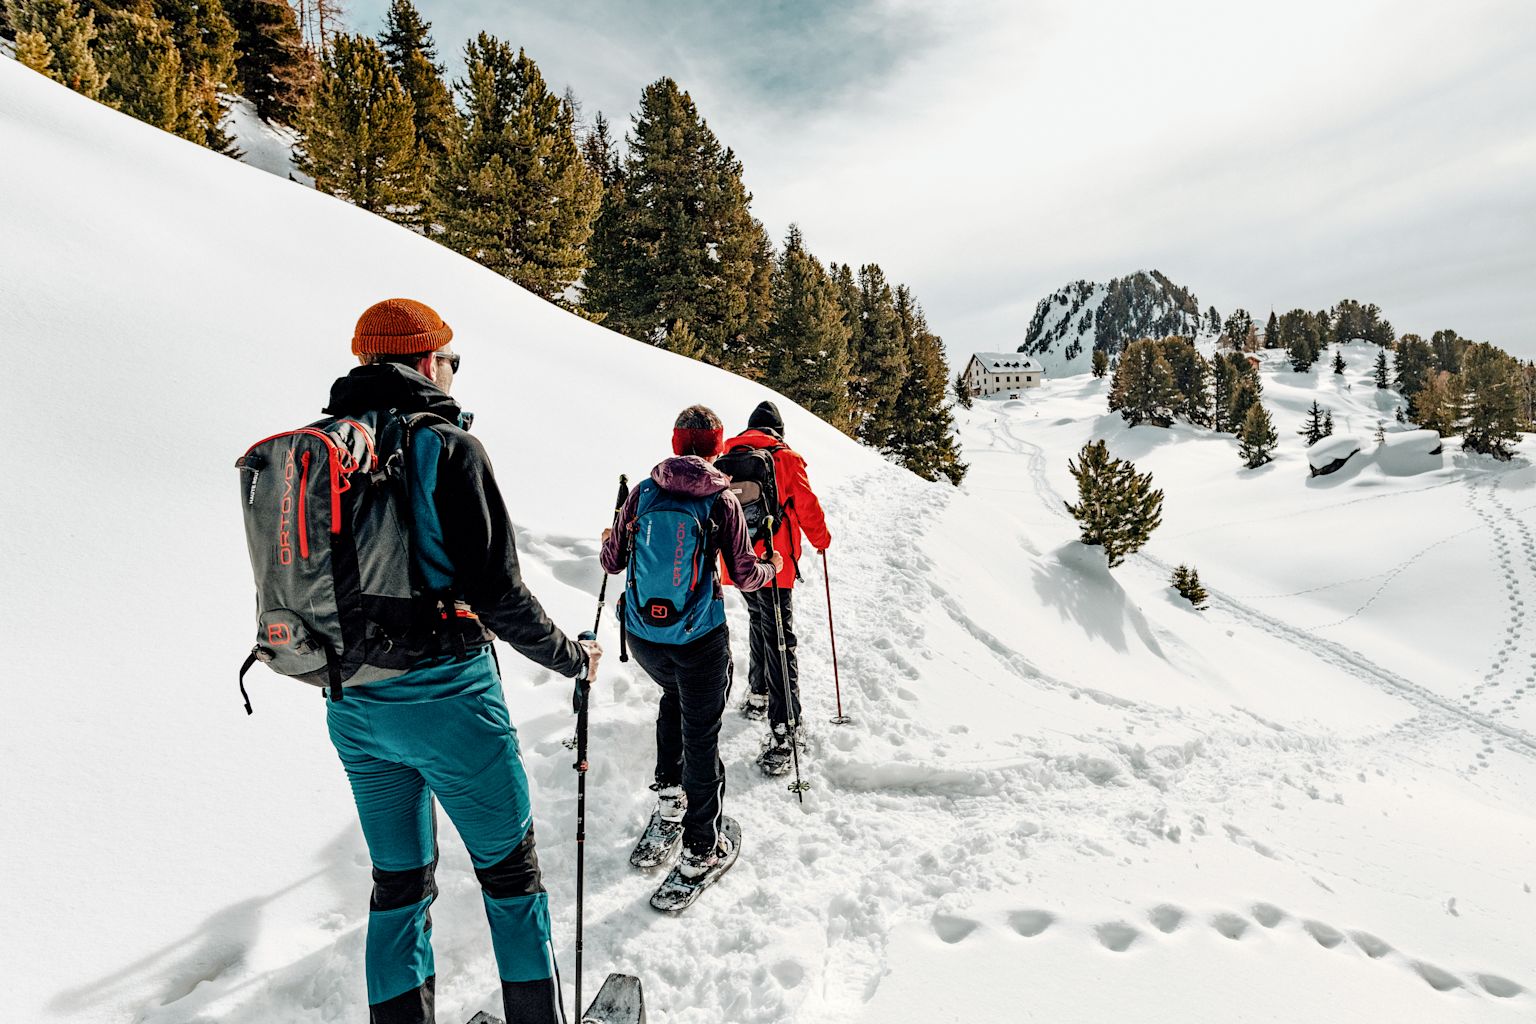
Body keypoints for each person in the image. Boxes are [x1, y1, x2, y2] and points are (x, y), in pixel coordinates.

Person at [320, 298, 599, 1024]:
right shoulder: (446, 446)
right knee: (512, 879)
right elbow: (498, 593)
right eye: (449, 359)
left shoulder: (323, 449)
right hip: (450, 703)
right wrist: (573, 658)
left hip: (352, 707)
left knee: (399, 886)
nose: (451, 372)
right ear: (422, 361)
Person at [599, 406, 778, 879]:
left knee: (671, 698)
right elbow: (744, 575)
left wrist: (609, 534)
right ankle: (702, 848)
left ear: (677, 442)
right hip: (699, 637)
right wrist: (771, 567)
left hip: (642, 637)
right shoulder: (722, 501)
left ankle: (669, 803)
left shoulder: (642, 492)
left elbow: (612, 561)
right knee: (701, 733)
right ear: (717, 446)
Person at [719, 401, 832, 766]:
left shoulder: (727, 457)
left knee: (759, 621)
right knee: (781, 638)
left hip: (739, 561)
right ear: (778, 432)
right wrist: (822, 540)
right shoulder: (785, 458)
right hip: (775, 562)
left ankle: (758, 693)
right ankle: (786, 730)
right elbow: (806, 505)